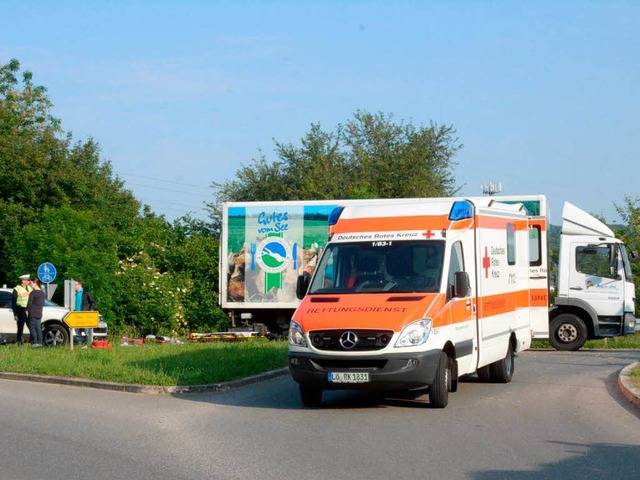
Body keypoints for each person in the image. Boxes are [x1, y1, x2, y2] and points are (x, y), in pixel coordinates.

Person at [12, 274, 33, 344]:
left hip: (29, 309)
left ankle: (32, 341)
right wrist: (15, 314)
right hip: (20, 310)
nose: (29, 281)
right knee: (20, 327)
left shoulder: (30, 288)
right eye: (27, 280)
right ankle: (19, 342)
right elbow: (13, 302)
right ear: (23, 281)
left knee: (31, 326)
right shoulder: (17, 289)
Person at [74, 279, 96, 346]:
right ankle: (79, 345)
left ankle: (88, 345)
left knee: (87, 331)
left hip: (85, 315)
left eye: (75, 284)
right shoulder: (74, 293)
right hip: (76, 315)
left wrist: (91, 310)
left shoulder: (86, 292)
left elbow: (93, 302)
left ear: (80, 285)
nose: (74, 286)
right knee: (77, 331)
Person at [26, 278, 45, 347]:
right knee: (38, 328)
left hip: (32, 312)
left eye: (31, 283)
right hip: (39, 313)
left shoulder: (33, 293)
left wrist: (26, 310)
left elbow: (29, 303)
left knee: (32, 328)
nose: (30, 285)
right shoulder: (42, 293)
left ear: (35, 283)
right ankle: (40, 343)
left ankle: (35, 342)